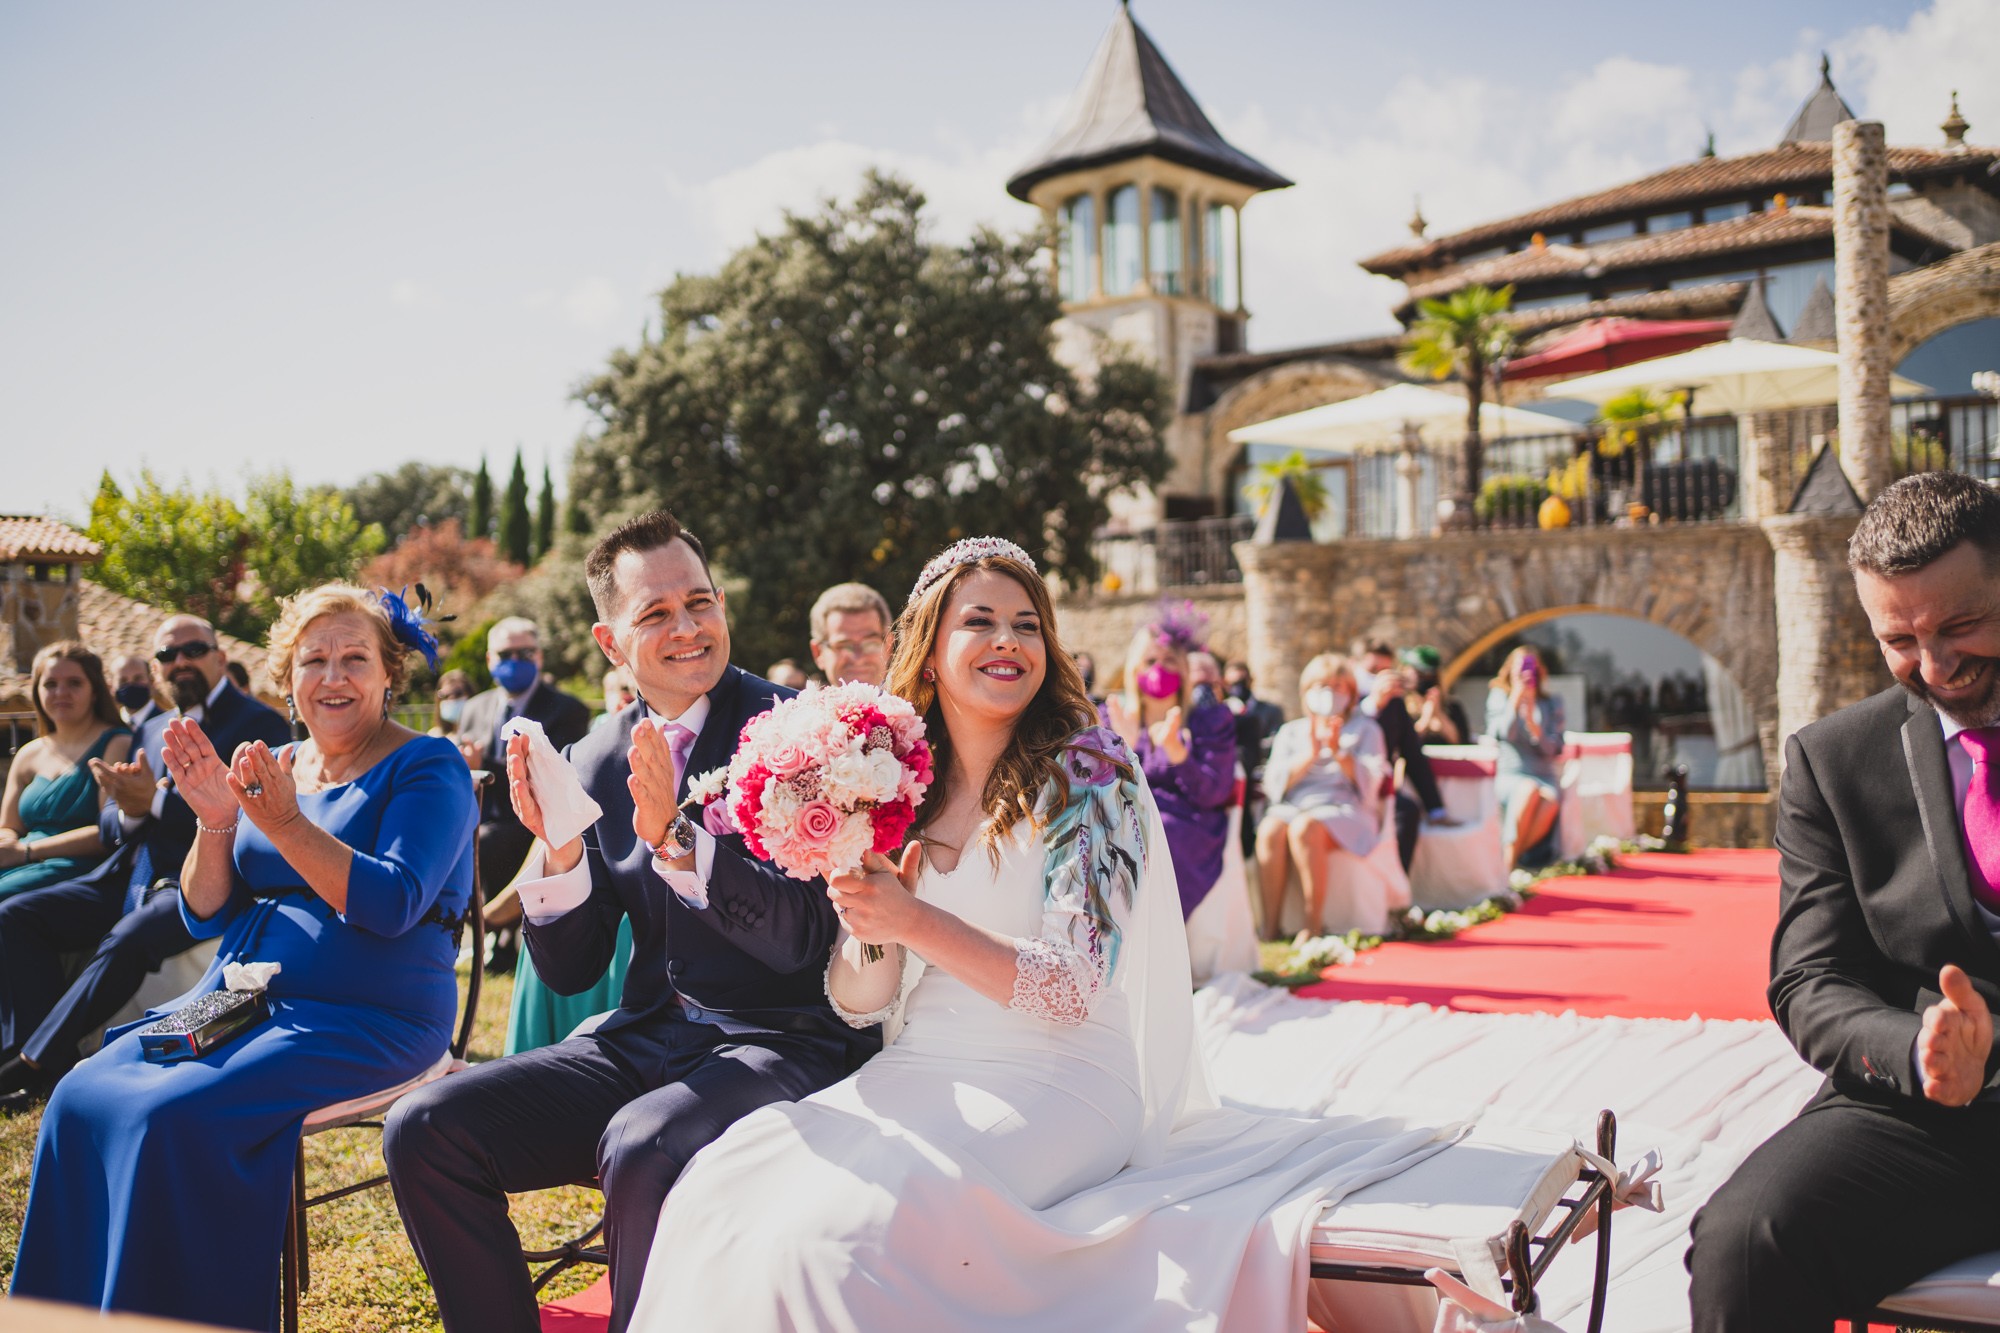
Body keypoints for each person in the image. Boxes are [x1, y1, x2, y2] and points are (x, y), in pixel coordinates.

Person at [628, 537, 1451, 1332]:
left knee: (846, 1238)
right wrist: (871, 919)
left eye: (1026, 624)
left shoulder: (1091, 772)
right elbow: (858, 999)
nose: (1006, 641)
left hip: (1065, 1078)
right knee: (723, 1191)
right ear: (930, 644)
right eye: (979, 621)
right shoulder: (892, 780)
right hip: (920, 1067)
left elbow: (1071, 985)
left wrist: (918, 918)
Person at [384, 511, 875, 1333]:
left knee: (642, 1143)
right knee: (425, 1126)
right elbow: (574, 971)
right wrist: (559, 849)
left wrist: (677, 843)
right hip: (647, 1039)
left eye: (701, 602)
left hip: (788, 1040)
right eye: (655, 614)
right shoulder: (595, 756)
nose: (688, 627)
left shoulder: (801, 731)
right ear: (611, 643)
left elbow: (801, 940)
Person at [8, 584, 476, 1329]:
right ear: (288, 676)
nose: (333, 676)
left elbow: (390, 903)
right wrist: (220, 823)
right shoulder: (278, 760)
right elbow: (203, 906)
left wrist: (284, 821)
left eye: (354, 657)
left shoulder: (427, 766)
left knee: (168, 1121)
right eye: (313, 659)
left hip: (368, 1015)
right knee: (78, 1095)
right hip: (240, 1003)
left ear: (390, 673)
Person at [1686, 472, 2000, 1331]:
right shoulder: (1832, 761)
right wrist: (1922, 1053)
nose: (1934, 666)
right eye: (1899, 638)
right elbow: (1810, 980)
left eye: (1962, 625)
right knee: (1747, 1237)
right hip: (1937, 1120)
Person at [0, 616, 290, 1107]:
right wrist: (133, 806)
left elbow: (250, 814)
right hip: (129, 875)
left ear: (219, 658)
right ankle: (37, 1054)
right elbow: (112, 821)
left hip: (204, 882)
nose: (179, 661)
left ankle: (28, 1065)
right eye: (165, 655)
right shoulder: (151, 728)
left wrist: (154, 804)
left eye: (193, 649)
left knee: (128, 937)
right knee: (16, 915)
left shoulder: (260, 723)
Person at [455, 618, 590, 974]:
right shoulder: (474, 708)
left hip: (532, 822)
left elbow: (556, 773)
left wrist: (485, 763)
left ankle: (500, 931)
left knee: (491, 841)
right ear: (489, 660)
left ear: (539, 657)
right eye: (505, 654)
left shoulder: (566, 709)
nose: (514, 660)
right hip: (480, 812)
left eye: (524, 653)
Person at [1102, 614, 1236, 919]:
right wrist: (1124, 752)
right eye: (1150, 660)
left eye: (1169, 660)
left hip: (1186, 821)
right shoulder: (1113, 718)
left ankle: (1161, 939)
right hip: (1120, 815)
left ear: (1185, 668)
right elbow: (1093, 788)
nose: (1159, 669)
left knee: (1158, 834)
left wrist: (1179, 755)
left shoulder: (1209, 721)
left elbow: (1215, 792)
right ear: (1134, 668)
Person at [1256, 654, 1388, 938]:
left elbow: (1371, 784)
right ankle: (1270, 926)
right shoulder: (1291, 731)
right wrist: (1311, 754)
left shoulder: (1367, 730)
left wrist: (1339, 751)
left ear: (1351, 693)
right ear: (1307, 691)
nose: (1330, 692)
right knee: (1269, 830)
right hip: (1296, 804)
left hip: (1344, 807)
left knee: (1306, 827)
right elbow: (1274, 784)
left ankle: (1312, 925)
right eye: (1322, 685)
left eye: (1338, 686)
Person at [0, 642, 133, 901]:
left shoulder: (117, 744)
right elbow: (9, 826)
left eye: (74, 683)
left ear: (94, 691)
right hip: (20, 861)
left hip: (78, 868)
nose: (61, 692)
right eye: (50, 684)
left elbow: (111, 831)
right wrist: (7, 843)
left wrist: (28, 850)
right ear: (37, 692)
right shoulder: (29, 753)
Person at [1353, 638, 1457, 871]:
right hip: (1344, 787)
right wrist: (1373, 704)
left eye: (1384, 671)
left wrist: (1436, 808)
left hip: (1380, 789)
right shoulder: (1344, 698)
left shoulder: (1395, 704)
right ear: (1356, 665)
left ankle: (1396, 888)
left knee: (1407, 811)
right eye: (1373, 671)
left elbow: (1413, 755)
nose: (1379, 677)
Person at [1487, 646, 1565, 870]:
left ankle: (1507, 863)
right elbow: (1502, 734)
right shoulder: (1499, 696)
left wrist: (1532, 722)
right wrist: (1515, 699)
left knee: (1549, 801)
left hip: (1543, 774)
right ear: (1510, 670)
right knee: (1528, 790)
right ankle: (1509, 865)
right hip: (1511, 774)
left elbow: (1553, 749)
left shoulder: (1551, 703)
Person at [806, 581, 893, 687]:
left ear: (889, 646)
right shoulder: (796, 703)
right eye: (844, 646)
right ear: (818, 653)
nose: (858, 659)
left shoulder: (913, 703)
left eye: (870, 644)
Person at [1402, 645, 1470, 746]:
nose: (1423, 679)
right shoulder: (1401, 705)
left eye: (1427, 675)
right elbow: (1407, 743)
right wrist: (1426, 717)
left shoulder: (1452, 707)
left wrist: (1439, 713)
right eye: (1418, 673)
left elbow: (1460, 742)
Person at [110, 652, 163, 732]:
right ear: (112, 686)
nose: (130, 685)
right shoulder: (110, 727)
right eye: (123, 681)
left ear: (151, 681)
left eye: (138, 679)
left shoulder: (166, 724)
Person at [429, 668, 475, 738]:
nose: (451, 699)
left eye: (457, 693)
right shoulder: (434, 736)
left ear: (470, 694)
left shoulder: (483, 733)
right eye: (444, 695)